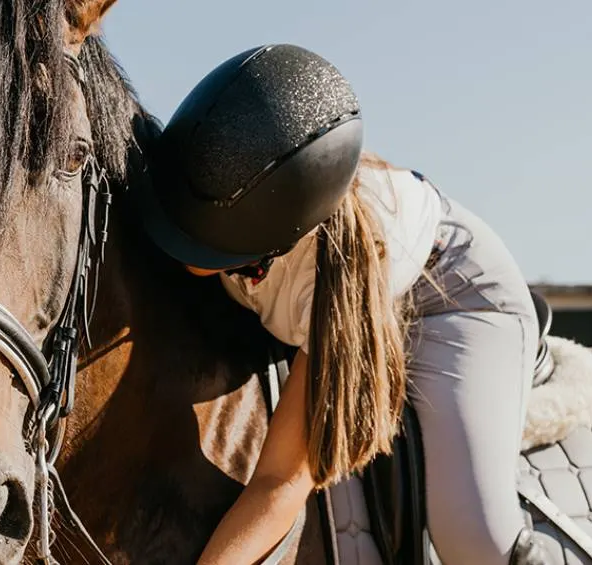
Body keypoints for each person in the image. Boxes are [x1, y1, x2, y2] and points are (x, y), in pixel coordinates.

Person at [135, 43, 557, 565]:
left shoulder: (335, 283)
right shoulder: (217, 177)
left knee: (474, 538)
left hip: (454, 294)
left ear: (267, 245)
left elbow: (278, 481)